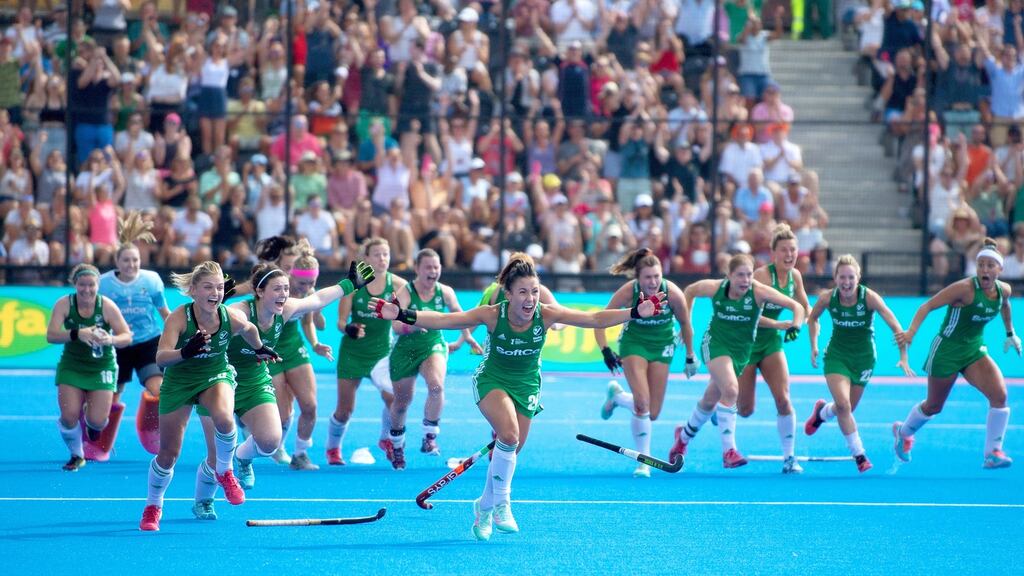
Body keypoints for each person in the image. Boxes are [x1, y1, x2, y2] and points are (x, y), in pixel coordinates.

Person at [369, 253, 664, 541]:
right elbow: (446, 320)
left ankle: (484, 507)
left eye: (534, 291)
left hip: (527, 385)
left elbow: (595, 318)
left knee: (509, 450)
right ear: (508, 294)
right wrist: (402, 314)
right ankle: (503, 504)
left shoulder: (546, 314)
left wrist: (635, 312)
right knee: (508, 436)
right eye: (522, 292)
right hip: (493, 380)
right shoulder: (492, 314)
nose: (530, 298)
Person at [191, 259, 374, 519]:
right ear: (259, 292)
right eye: (277, 289)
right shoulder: (239, 312)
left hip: (253, 379)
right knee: (216, 456)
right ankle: (203, 500)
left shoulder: (285, 310)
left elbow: (317, 299)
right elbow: (213, 322)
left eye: (286, 288)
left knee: (270, 442)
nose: (284, 294)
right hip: (218, 379)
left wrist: (349, 284)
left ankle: (243, 457)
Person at [139, 261, 278, 532]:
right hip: (179, 381)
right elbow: (161, 358)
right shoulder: (179, 318)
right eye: (208, 287)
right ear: (193, 290)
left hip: (215, 374)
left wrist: (260, 348)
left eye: (219, 288)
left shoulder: (229, 317)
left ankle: (224, 471)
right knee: (168, 455)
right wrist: (185, 352)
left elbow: (250, 330)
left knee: (224, 418)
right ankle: (153, 505)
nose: (215, 293)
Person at [668, 254, 806, 468]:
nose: (745, 280)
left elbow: (797, 307)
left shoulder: (759, 291)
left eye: (749, 275)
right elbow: (690, 291)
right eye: (740, 275)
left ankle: (682, 438)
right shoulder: (715, 288)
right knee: (731, 390)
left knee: (709, 401)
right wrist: (686, 323)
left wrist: (794, 325)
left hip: (742, 351)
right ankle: (729, 451)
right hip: (715, 344)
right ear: (729, 275)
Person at [893, 239, 1019, 469]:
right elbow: (927, 306)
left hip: (974, 350)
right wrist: (911, 332)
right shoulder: (964, 289)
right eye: (981, 265)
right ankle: (903, 433)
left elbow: (1005, 305)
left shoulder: (1004, 290)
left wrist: (1011, 333)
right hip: (946, 350)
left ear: (1000, 269)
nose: (984, 270)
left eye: (990, 265)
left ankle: (992, 453)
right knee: (934, 406)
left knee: (1000, 396)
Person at [805, 255, 915, 473]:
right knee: (844, 406)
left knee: (846, 408)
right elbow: (813, 318)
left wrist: (903, 356)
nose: (846, 282)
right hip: (837, 356)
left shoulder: (869, 298)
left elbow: (896, 327)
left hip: (864, 358)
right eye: (842, 277)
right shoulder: (827, 298)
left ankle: (822, 412)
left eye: (851, 278)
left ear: (858, 278)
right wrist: (814, 345)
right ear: (835, 278)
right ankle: (859, 455)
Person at [596, 248, 697, 477]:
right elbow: (601, 320)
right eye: (647, 277)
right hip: (634, 344)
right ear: (638, 278)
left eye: (656, 276)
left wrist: (690, 355)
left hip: (662, 347)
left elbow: (685, 323)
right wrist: (605, 350)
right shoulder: (628, 291)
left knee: (652, 413)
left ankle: (618, 398)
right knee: (642, 404)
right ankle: (643, 461)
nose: (653, 282)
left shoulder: (673, 293)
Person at [386, 249, 481, 469]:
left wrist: (466, 338)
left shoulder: (445, 292)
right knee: (401, 403)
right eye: (428, 267)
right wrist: (417, 324)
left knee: (436, 386)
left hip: (432, 345)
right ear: (417, 269)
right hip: (405, 350)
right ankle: (397, 445)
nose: (433, 271)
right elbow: (396, 326)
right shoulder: (405, 292)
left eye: (436, 267)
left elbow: (461, 317)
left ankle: (429, 436)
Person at [735, 224, 812, 474]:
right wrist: (779, 324)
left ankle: (789, 458)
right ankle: (716, 410)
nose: (789, 255)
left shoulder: (795, 277)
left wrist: (803, 325)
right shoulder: (760, 277)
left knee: (784, 399)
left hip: (770, 344)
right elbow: (746, 315)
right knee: (745, 410)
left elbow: (804, 308)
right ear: (773, 253)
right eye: (784, 250)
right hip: (747, 343)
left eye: (793, 250)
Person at [95, 213, 170, 461]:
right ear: (117, 261)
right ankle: (101, 441)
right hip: (117, 345)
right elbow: (98, 317)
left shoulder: (151, 281)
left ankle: (148, 428)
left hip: (148, 342)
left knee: (158, 390)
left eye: (135, 260)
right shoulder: (104, 284)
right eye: (126, 260)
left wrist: (179, 332)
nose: (131, 264)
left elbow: (164, 312)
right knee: (111, 398)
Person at [46, 264, 133, 471]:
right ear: (74, 284)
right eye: (82, 285)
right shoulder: (64, 304)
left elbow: (126, 336)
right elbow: (51, 336)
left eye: (91, 285)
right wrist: (77, 333)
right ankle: (77, 455)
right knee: (68, 417)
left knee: (98, 421)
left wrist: (110, 339)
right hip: (72, 364)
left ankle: (92, 420)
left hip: (101, 365)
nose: (86, 290)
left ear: (98, 285)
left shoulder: (107, 306)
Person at [327, 238, 405, 465]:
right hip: (353, 353)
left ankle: (385, 439)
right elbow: (341, 322)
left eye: (386, 254)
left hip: (382, 352)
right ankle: (333, 448)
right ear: (367, 258)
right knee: (344, 410)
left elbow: (408, 317)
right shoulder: (354, 284)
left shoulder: (399, 285)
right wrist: (349, 329)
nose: (382, 258)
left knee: (393, 399)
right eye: (377, 254)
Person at [270, 241, 342, 470]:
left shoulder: (309, 293)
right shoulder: (276, 290)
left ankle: (300, 454)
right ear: (291, 275)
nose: (307, 287)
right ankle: (269, 443)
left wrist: (315, 343)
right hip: (270, 352)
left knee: (310, 406)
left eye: (312, 283)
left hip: (294, 349)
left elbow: (311, 322)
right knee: (282, 414)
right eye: (302, 283)